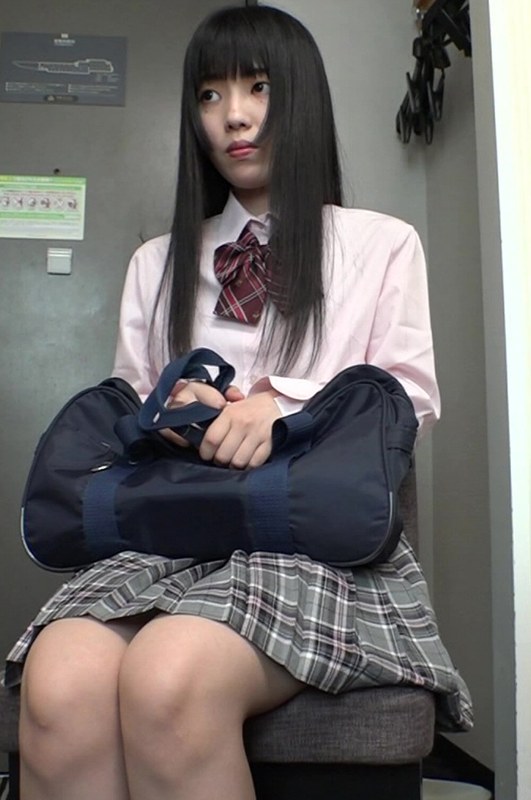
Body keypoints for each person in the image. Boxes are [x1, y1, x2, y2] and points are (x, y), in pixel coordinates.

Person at [4, 6, 472, 800]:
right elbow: (129, 413)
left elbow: (411, 396)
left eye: (258, 88)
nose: (235, 116)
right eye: (210, 95)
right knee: (57, 685)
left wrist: (279, 405)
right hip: (171, 532)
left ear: (300, 99)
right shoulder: (156, 262)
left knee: (167, 677)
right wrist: (171, 409)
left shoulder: (381, 243)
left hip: (308, 542)